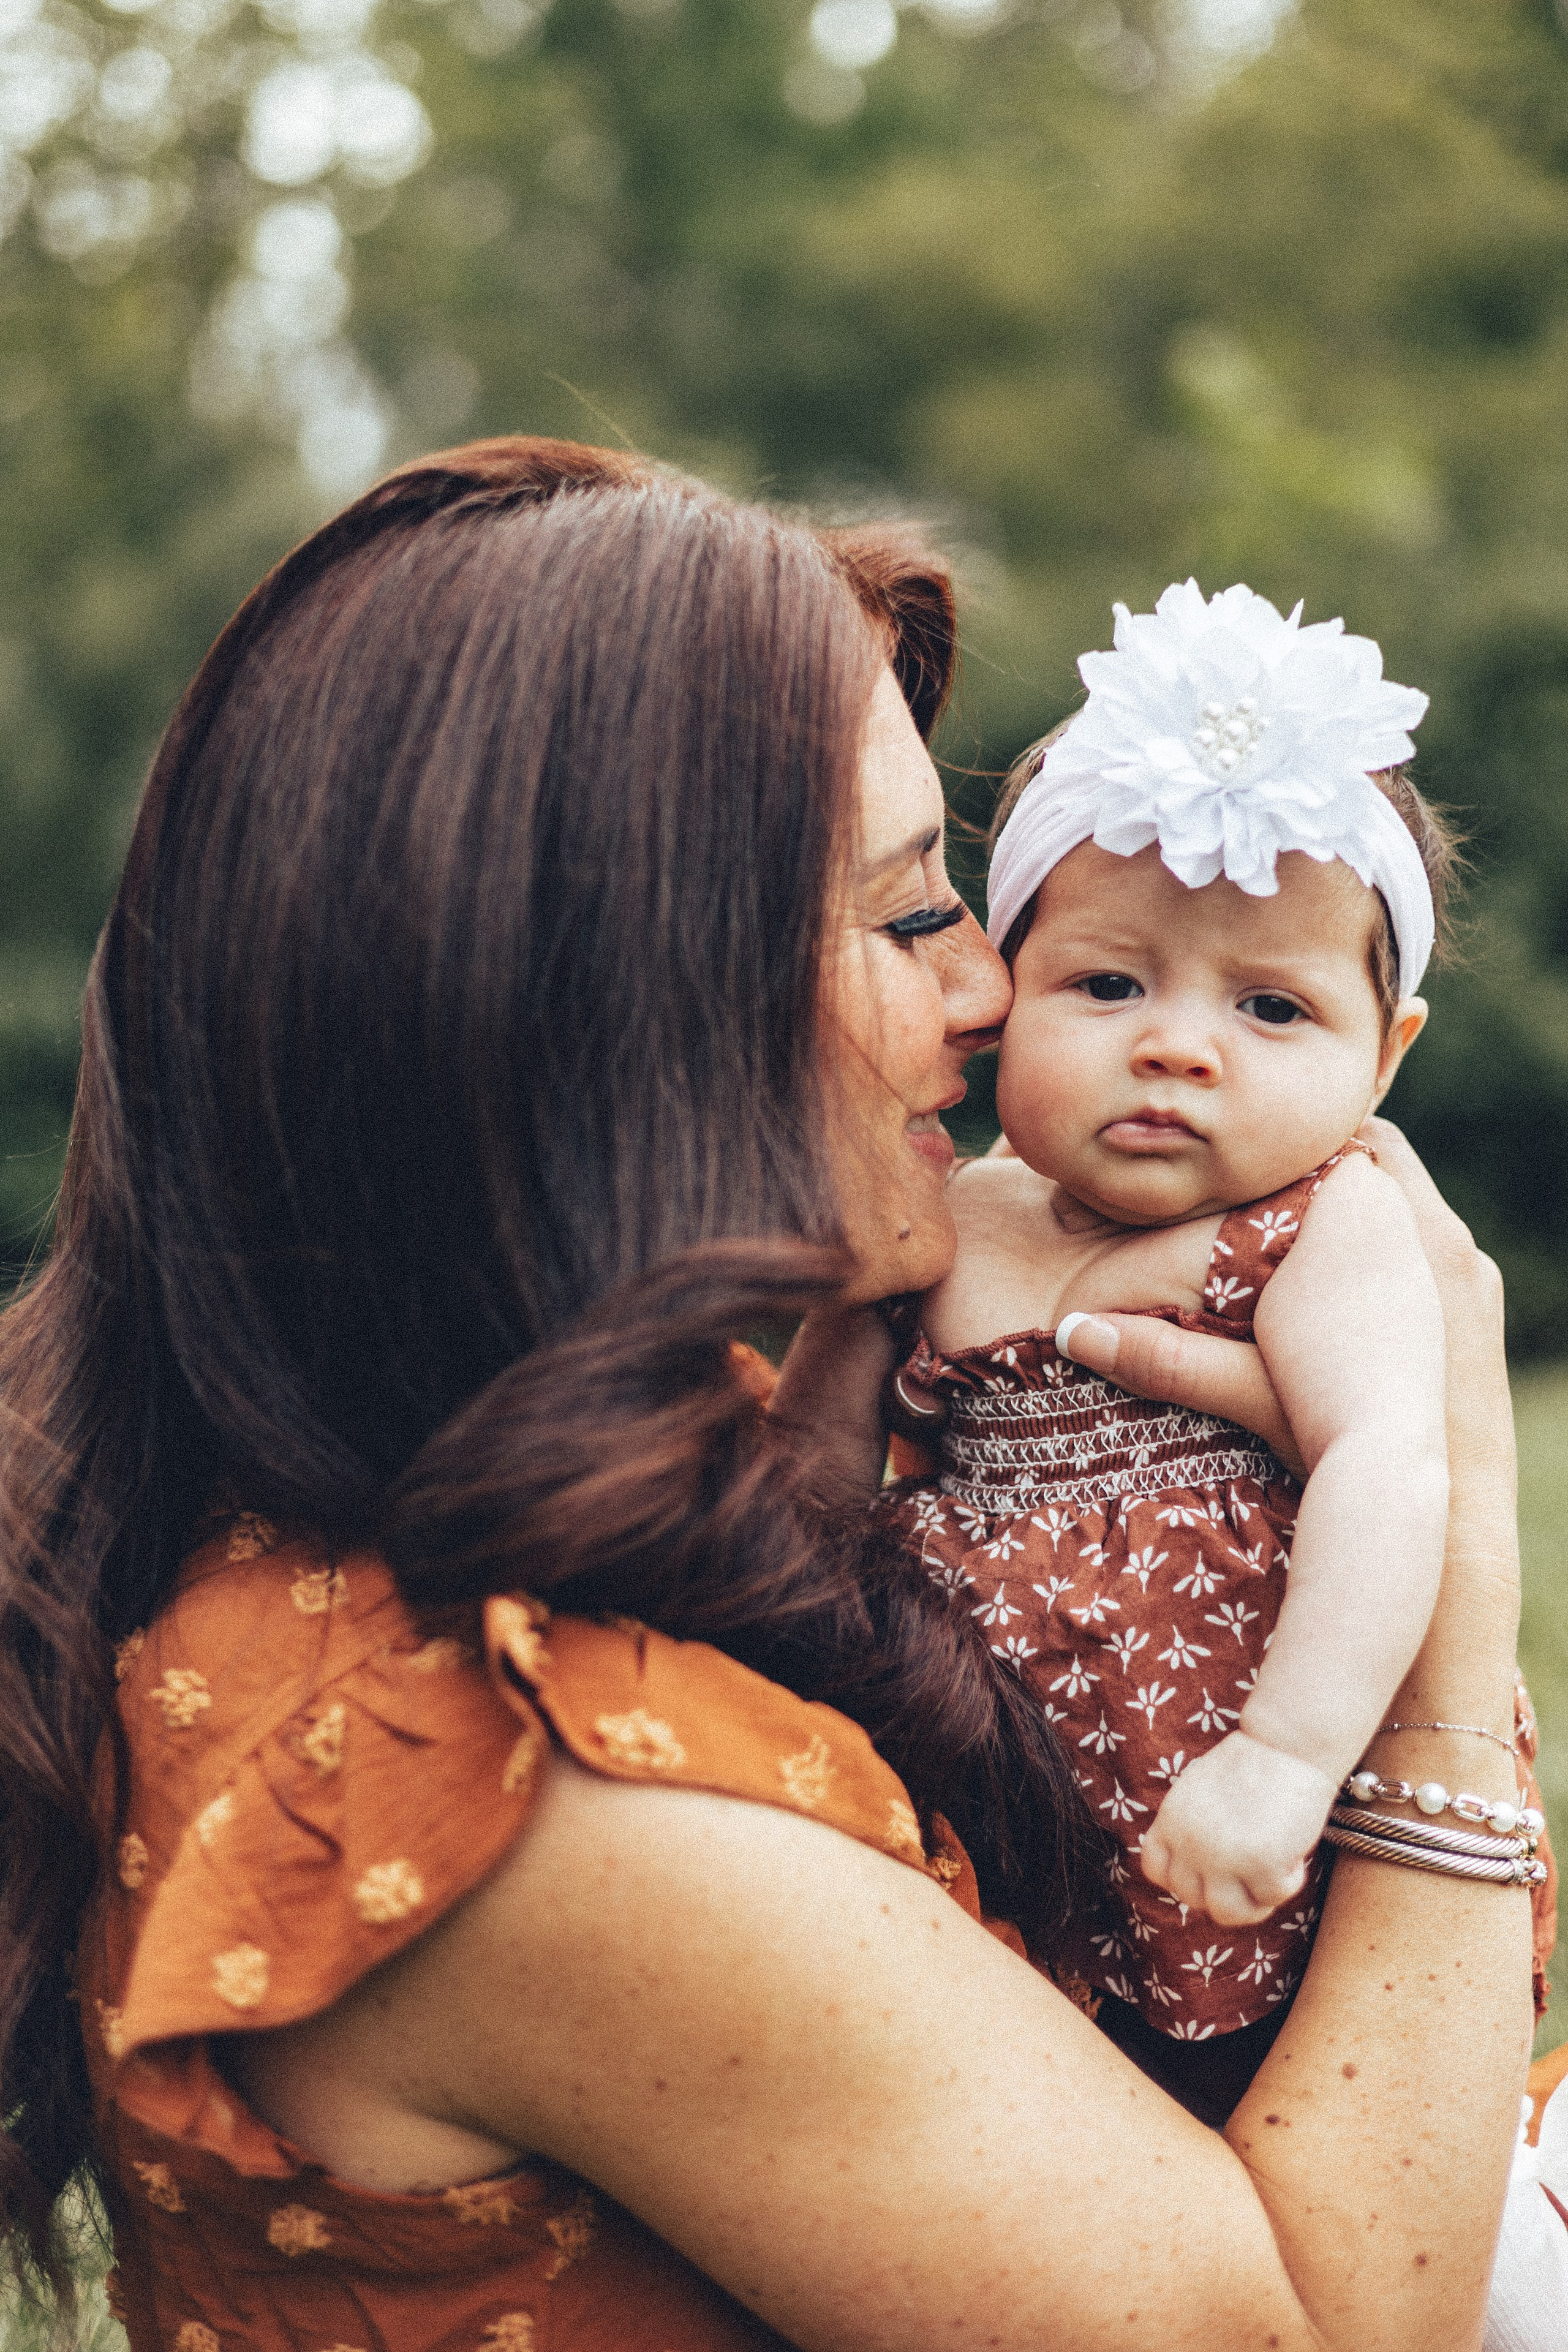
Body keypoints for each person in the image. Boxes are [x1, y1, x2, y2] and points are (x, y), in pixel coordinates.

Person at [0, 437, 1549, 2352]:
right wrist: (1445, 1659)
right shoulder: (531, 1797)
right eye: (909, 917)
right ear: (618, 1004)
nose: (992, 990)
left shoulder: (453, 1509)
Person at [851, 582, 1556, 2107]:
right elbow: (809, 1461)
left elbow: (1382, 1466)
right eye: (1106, 985)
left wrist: (1285, 1759)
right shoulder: (946, 1214)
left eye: (1271, 1008)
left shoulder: (1322, 1225)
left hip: (1234, 1784)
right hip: (977, 1775)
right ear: (1005, 992)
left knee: (1253, 2095)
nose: (1176, 1045)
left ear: (1385, 1054)